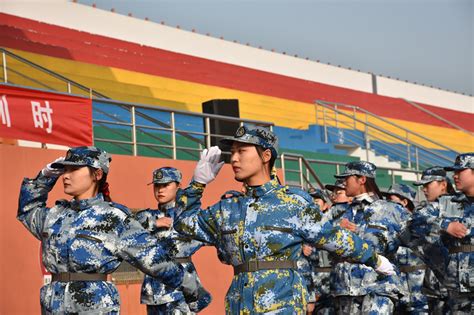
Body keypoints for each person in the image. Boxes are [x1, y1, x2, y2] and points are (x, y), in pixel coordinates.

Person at [173, 126, 395, 314]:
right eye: (232, 152)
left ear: (266, 156)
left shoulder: (292, 203)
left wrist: (374, 259)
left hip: (282, 303)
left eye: (242, 151)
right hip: (239, 303)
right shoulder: (227, 209)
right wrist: (197, 185)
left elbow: (333, 237)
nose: (234, 158)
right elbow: (184, 224)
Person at [17, 146, 196, 314]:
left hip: (95, 305)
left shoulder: (114, 217)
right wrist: (44, 177)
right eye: (65, 169)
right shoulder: (54, 216)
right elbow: (27, 210)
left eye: (74, 170)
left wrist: (194, 291)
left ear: (97, 174)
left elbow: (155, 260)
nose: (66, 176)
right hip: (53, 305)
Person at [332, 161, 410, 314]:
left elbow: (416, 240)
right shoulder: (339, 213)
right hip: (346, 289)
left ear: (362, 179)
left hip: (377, 286)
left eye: (347, 177)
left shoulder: (389, 209)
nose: (343, 182)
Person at [135, 167, 211, 314]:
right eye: (157, 185)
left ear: (178, 186)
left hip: (180, 289)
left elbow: (208, 231)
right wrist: (155, 223)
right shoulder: (145, 216)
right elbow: (128, 231)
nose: (160, 190)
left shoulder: (186, 216)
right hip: (153, 292)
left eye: (165, 185)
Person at [409, 153, 473, 314]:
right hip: (458, 290)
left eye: (460, 171)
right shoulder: (447, 203)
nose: (455, 176)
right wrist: (445, 225)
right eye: (454, 172)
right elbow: (416, 219)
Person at [412, 166, 453, 314]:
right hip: (434, 285)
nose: (424, 189)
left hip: (458, 284)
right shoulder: (424, 212)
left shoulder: (461, 207)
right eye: (423, 186)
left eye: (427, 185)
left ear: (443, 184)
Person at [383, 184, 429, 315]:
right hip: (396, 292)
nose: (388, 205)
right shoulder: (388, 225)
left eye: (392, 200)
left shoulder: (418, 222)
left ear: (404, 202)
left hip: (419, 292)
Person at [304, 188, 335, 315]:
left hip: (330, 282)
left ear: (325, 205)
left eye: (316, 200)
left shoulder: (332, 223)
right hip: (310, 281)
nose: (313, 203)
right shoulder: (302, 225)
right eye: (310, 200)